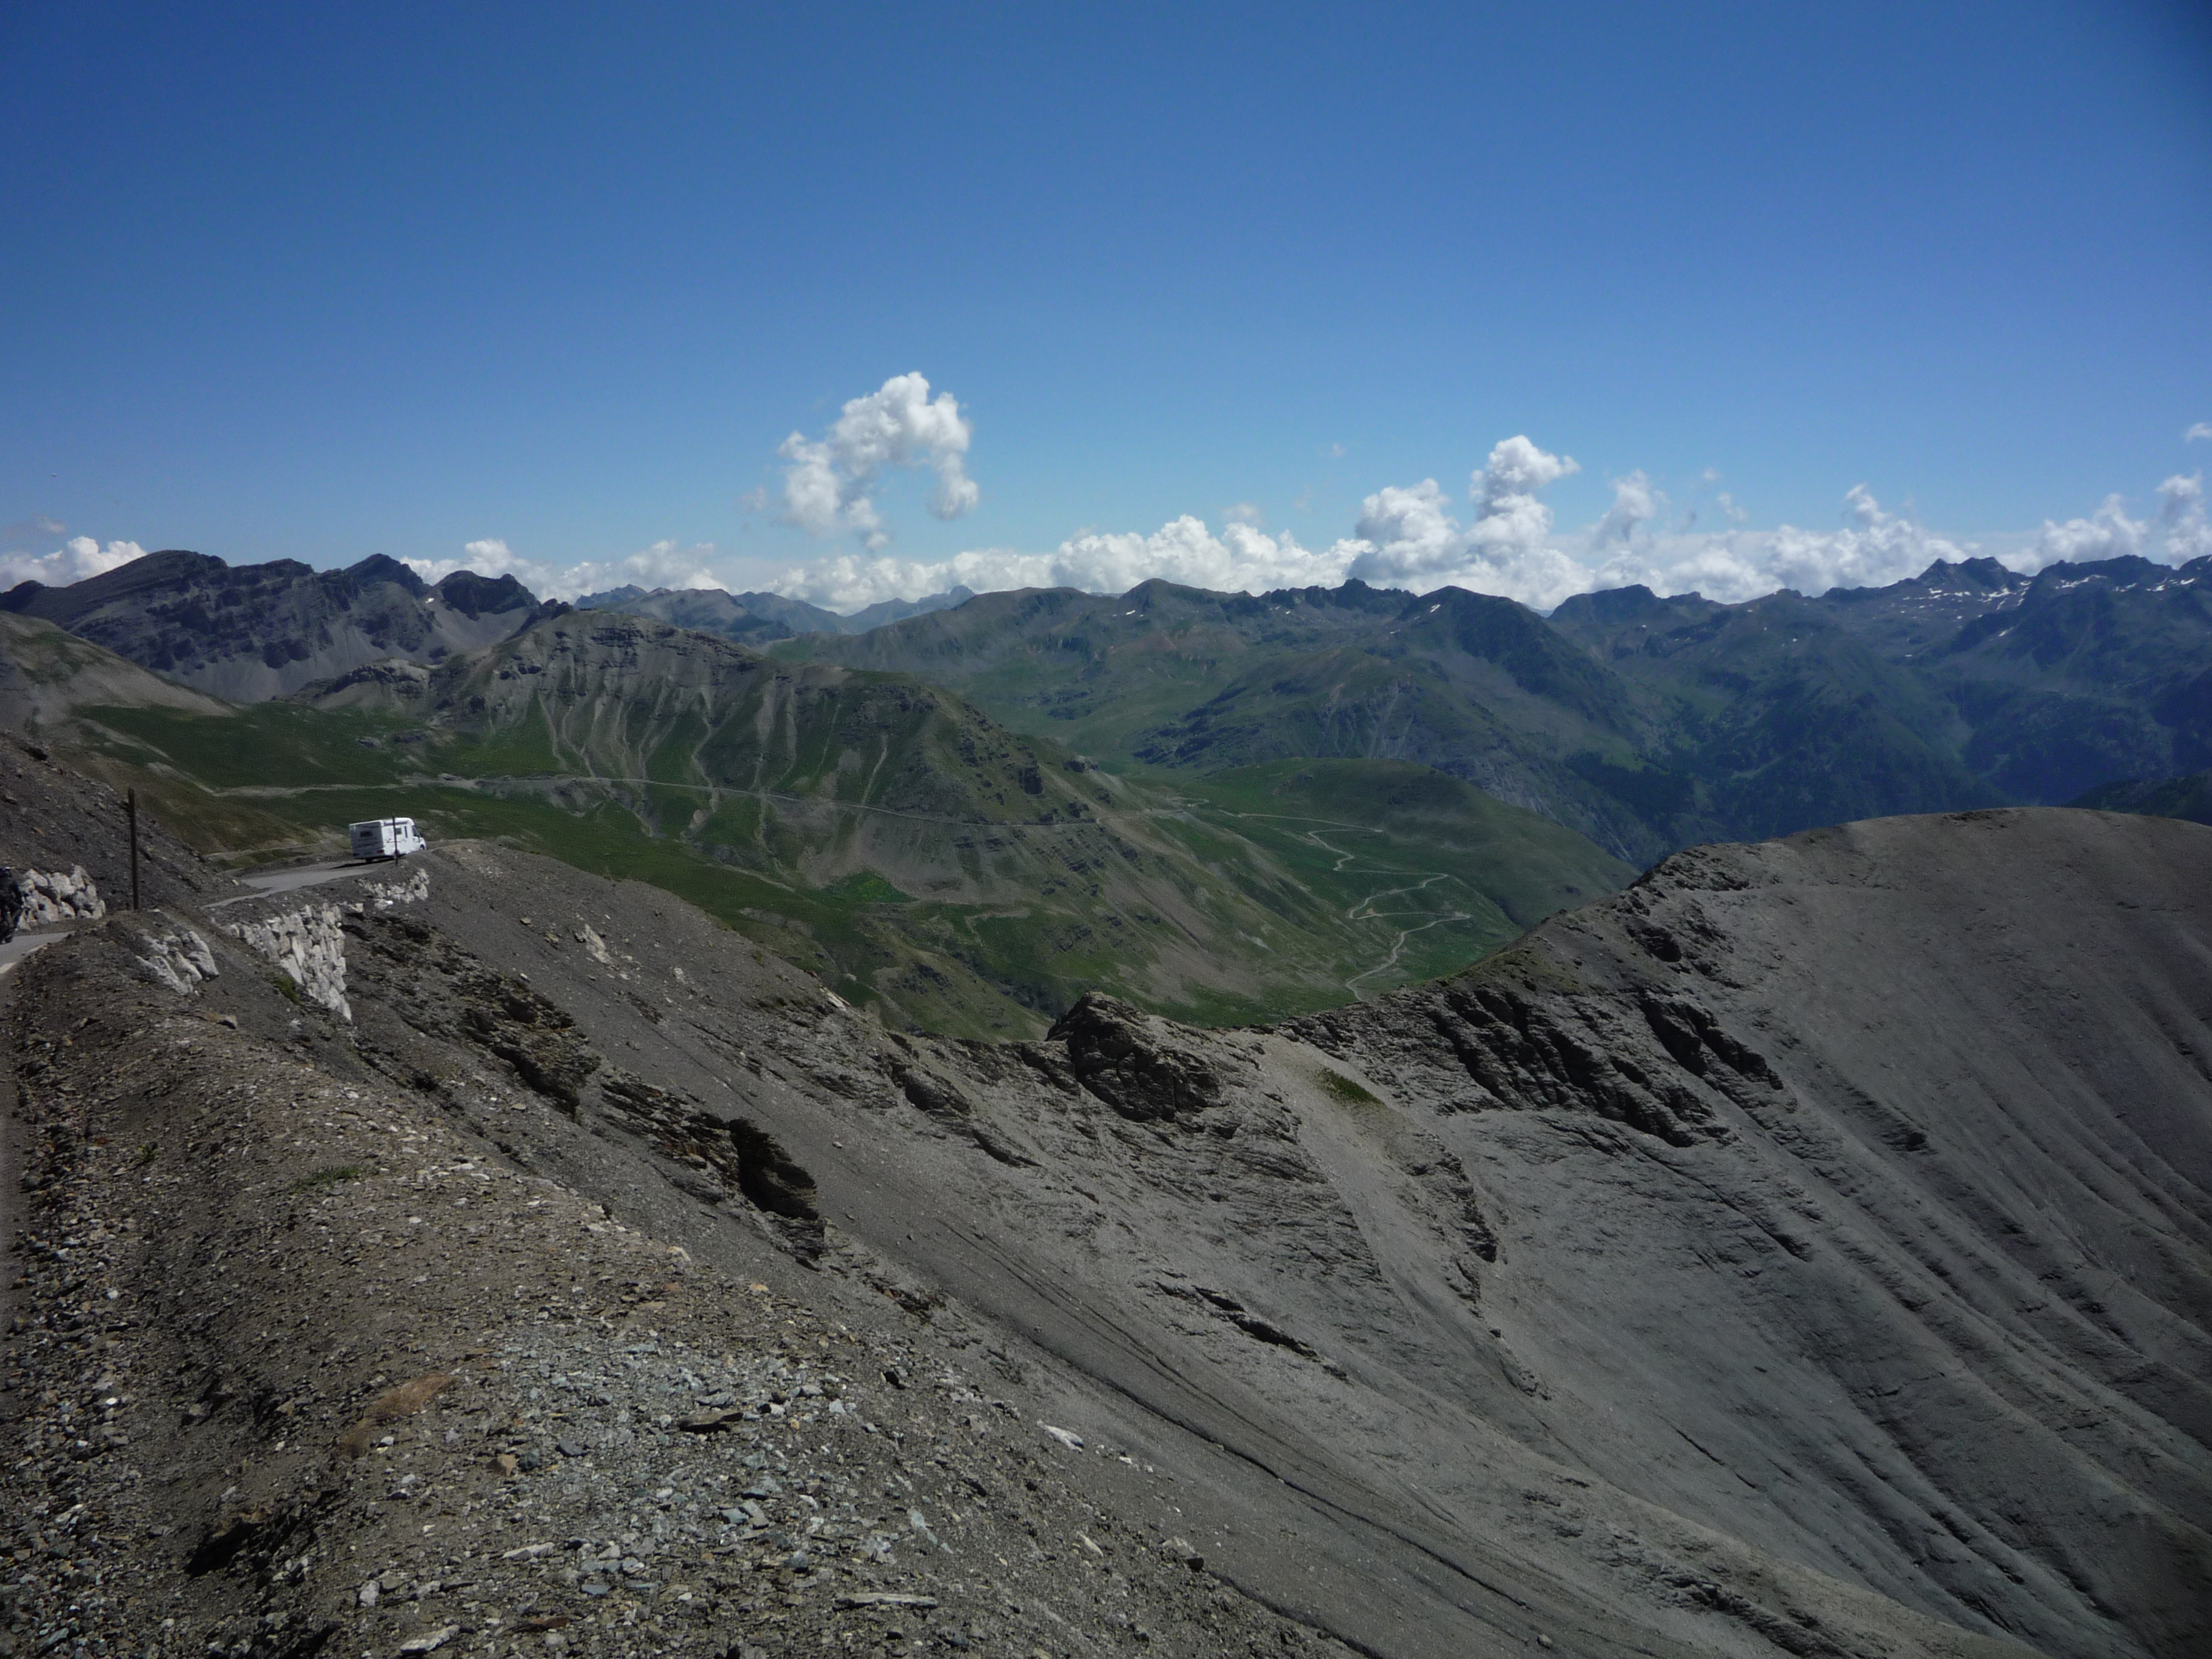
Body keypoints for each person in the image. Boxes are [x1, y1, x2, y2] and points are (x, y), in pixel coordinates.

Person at [0, 867, 21, 944]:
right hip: (7, 900)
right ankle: (12, 925)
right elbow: (18, 893)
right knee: (19, 909)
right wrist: (21, 901)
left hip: (3, 902)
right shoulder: (11, 880)